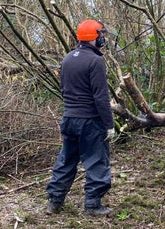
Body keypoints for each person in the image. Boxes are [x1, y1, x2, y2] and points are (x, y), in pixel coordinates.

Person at [45, 19, 115, 217]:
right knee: (96, 161)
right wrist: (109, 125)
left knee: (66, 160)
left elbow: (64, 89)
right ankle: (92, 205)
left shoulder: (67, 59)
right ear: (96, 37)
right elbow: (101, 97)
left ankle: (54, 202)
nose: (104, 39)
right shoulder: (96, 61)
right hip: (90, 121)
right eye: (102, 35)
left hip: (69, 118)